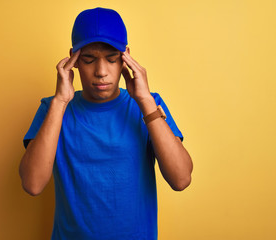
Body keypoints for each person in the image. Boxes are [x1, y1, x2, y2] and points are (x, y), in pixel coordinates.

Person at [19, 7, 193, 240]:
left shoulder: (150, 105)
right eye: (89, 60)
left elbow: (181, 179)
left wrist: (145, 101)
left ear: (126, 58)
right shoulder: (53, 109)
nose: (101, 72)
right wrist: (60, 102)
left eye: (111, 59)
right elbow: (32, 184)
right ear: (74, 59)